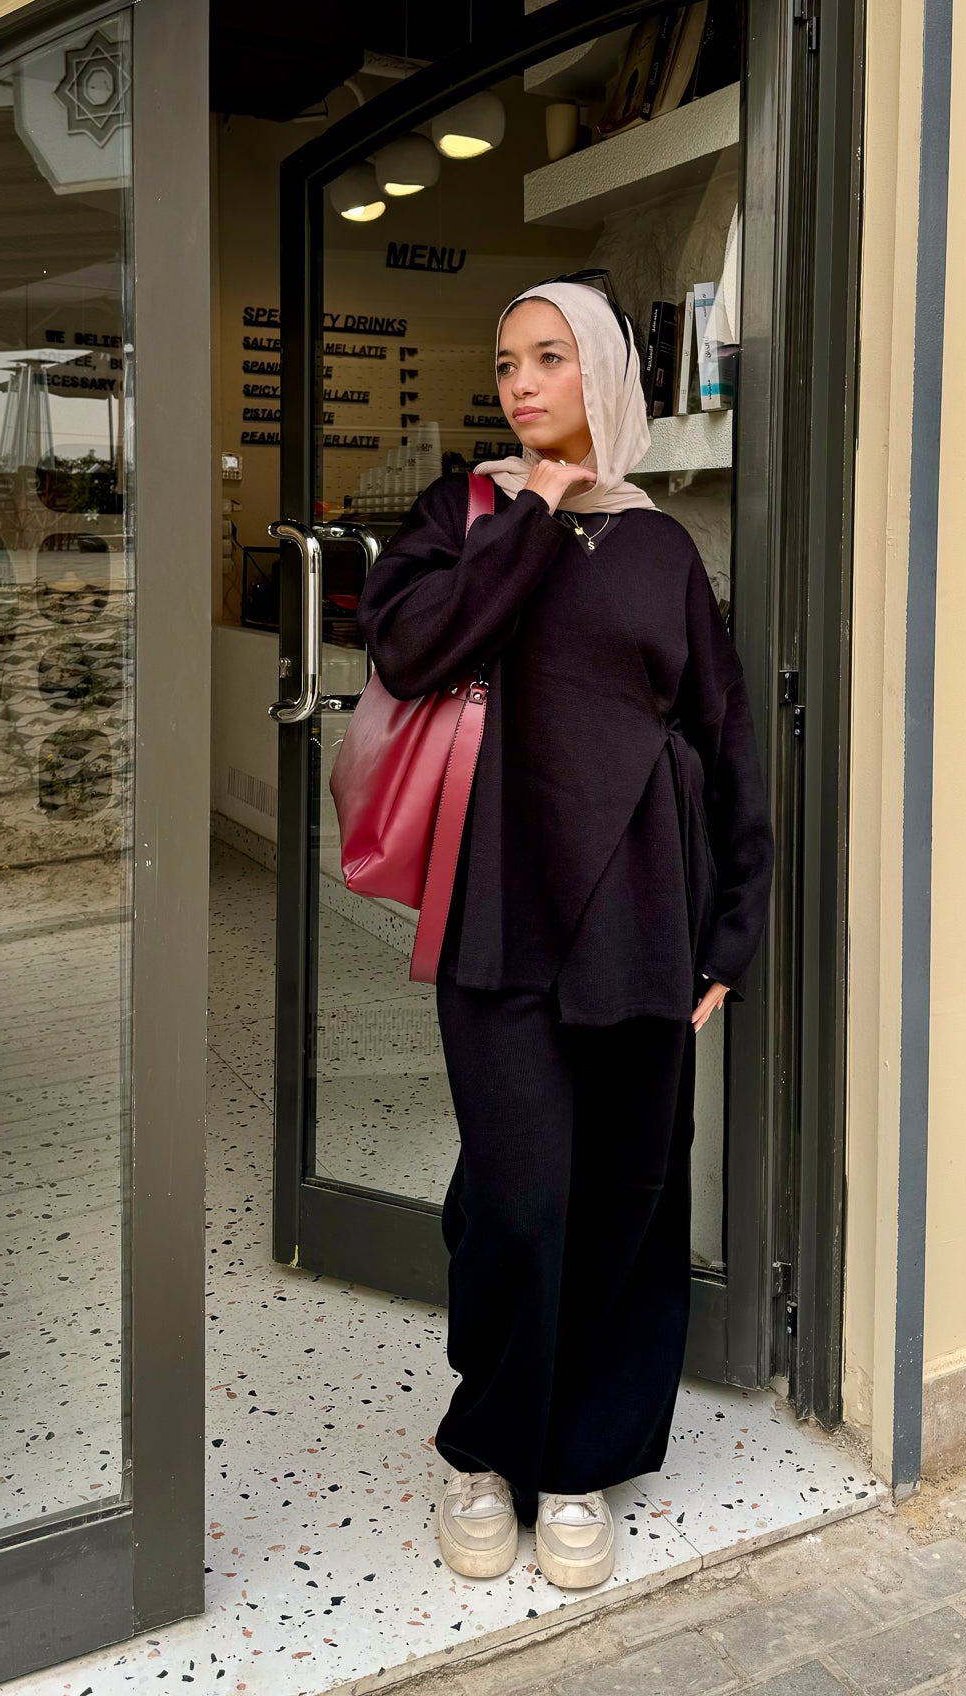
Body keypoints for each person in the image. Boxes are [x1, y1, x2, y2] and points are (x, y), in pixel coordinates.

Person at [356, 279, 772, 1591]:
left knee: (626, 1202)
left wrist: (730, 937)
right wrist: (530, 511)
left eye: (550, 359)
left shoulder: (661, 547)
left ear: (602, 375)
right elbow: (422, 650)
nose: (523, 383)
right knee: (519, 1198)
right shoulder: (463, 515)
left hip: (647, 917)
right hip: (500, 911)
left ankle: (583, 1461)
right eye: (507, 362)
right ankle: (489, 1449)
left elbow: (725, 744)